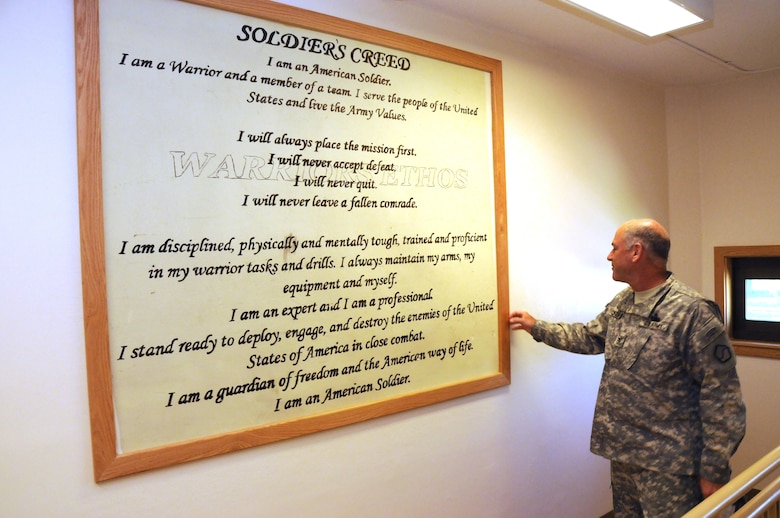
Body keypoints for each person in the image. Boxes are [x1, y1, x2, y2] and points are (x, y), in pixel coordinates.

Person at [509, 219, 746, 518]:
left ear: (636, 252)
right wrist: (536, 327)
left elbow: (722, 394)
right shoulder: (625, 301)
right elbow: (591, 337)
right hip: (623, 454)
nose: (609, 256)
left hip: (670, 465)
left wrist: (714, 466)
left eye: (614, 248)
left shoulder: (692, 312)